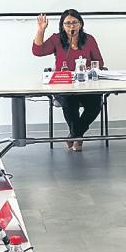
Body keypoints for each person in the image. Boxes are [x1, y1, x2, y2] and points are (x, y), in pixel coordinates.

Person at [32, 9, 105, 152]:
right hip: (64, 85)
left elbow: (99, 62)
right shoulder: (56, 39)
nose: (72, 26)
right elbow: (38, 51)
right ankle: (78, 137)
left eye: (75, 22)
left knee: (95, 104)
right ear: (62, 25)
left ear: (81, 24)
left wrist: (90, 67)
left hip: (86, 84)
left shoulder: (89, 39)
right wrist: (41, 30)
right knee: (70, 102)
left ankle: (74, 135)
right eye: (68, 23)